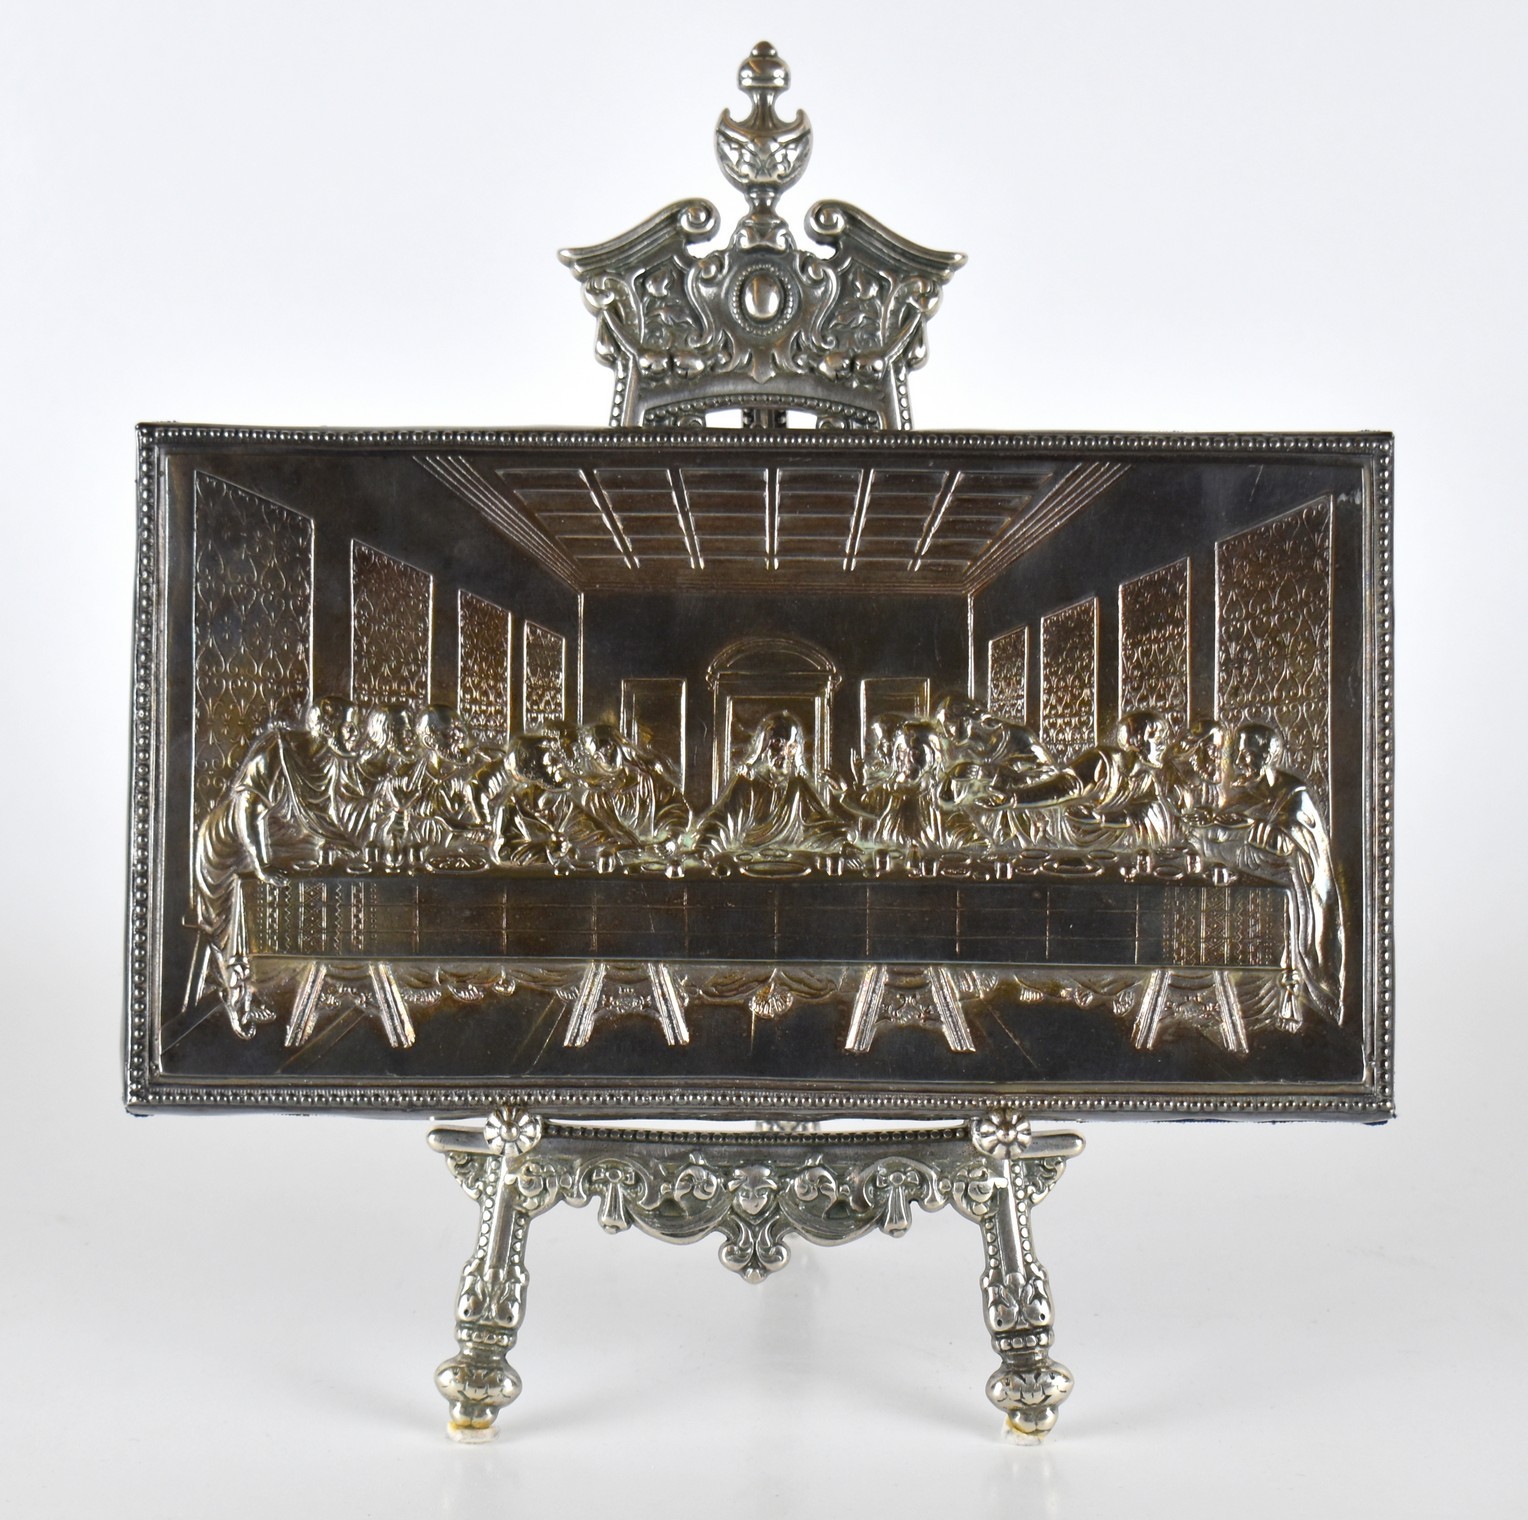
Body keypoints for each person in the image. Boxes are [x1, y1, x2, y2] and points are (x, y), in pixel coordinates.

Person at [1211, 721, 1345, 1021]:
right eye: (1237, 754)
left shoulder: (1294, 796)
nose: (1239, 761)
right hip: (1249, 892)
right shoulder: (1241, 797)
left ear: (1268, 756)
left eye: (1247, 754)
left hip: (1297, 891)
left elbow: (1302, 851)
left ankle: (1303, 998)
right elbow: (1226, 839)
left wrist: (1257, 832)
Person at [693, 711, 848, 865]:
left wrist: (843, 846)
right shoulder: (747, 784)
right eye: (778, 743)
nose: (784, 753)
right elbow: (722, 823)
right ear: (764, 746)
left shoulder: (797, 786)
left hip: (792, 864)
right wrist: (705, 848)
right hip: (749, 861)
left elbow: (821, 828)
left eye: (791, 746)